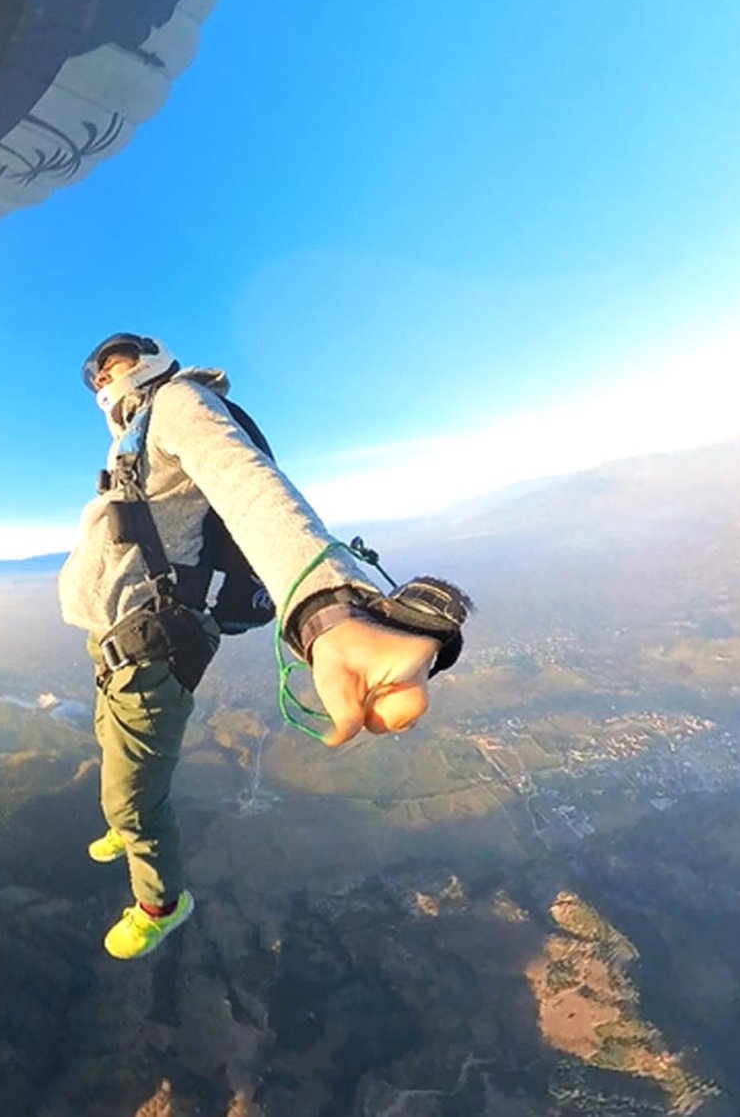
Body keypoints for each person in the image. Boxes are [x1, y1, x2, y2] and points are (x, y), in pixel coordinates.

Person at [59, 334, 469, 960]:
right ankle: (125, 818)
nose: (106, 378)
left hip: (153, 647)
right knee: (111, 740)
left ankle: (160, 901)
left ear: (153, 359)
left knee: (134, 793)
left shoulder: (179, 404)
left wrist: (326, 606)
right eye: (98, 375)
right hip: (114, 642)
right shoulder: (135, 440)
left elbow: (247, 484)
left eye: (118, 362)